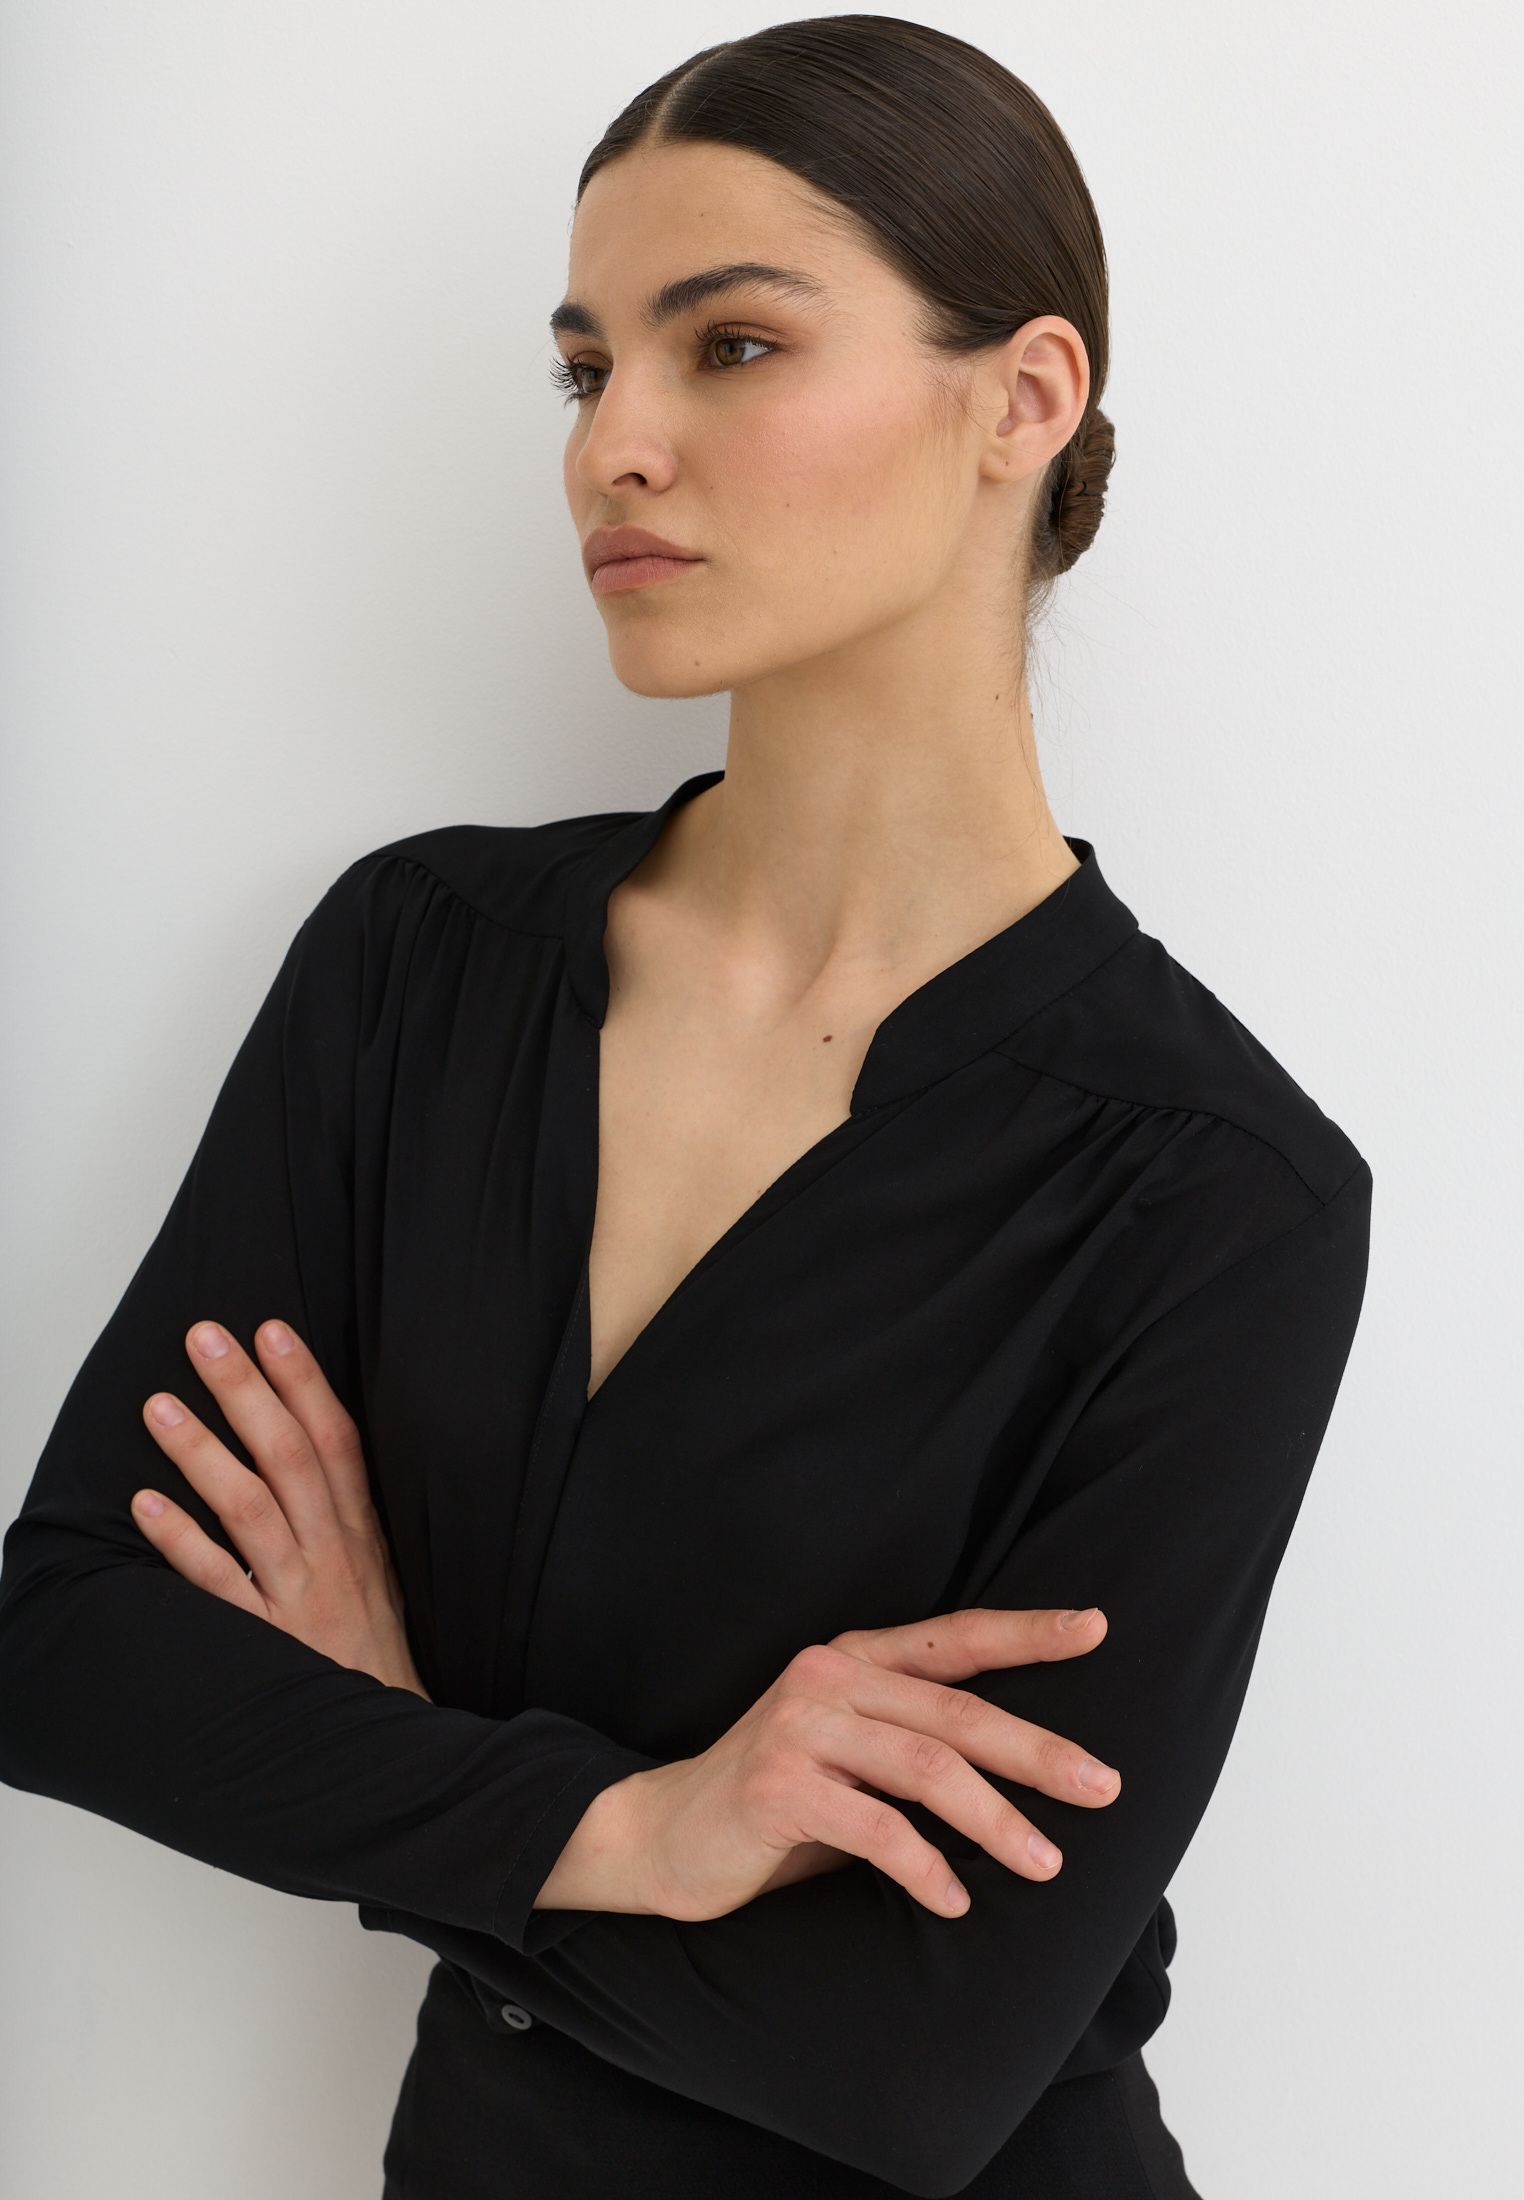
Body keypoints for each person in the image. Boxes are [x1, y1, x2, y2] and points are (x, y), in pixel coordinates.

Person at [0, 17, 1371, 2198]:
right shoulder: (418, 963)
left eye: (730, 345)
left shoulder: (1219, 1190)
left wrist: (396, 1759)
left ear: (1024, 399)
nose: (611, 448)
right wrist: (630, 1825)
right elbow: (68, 1643)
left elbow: (914, 2063)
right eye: (583, 369)